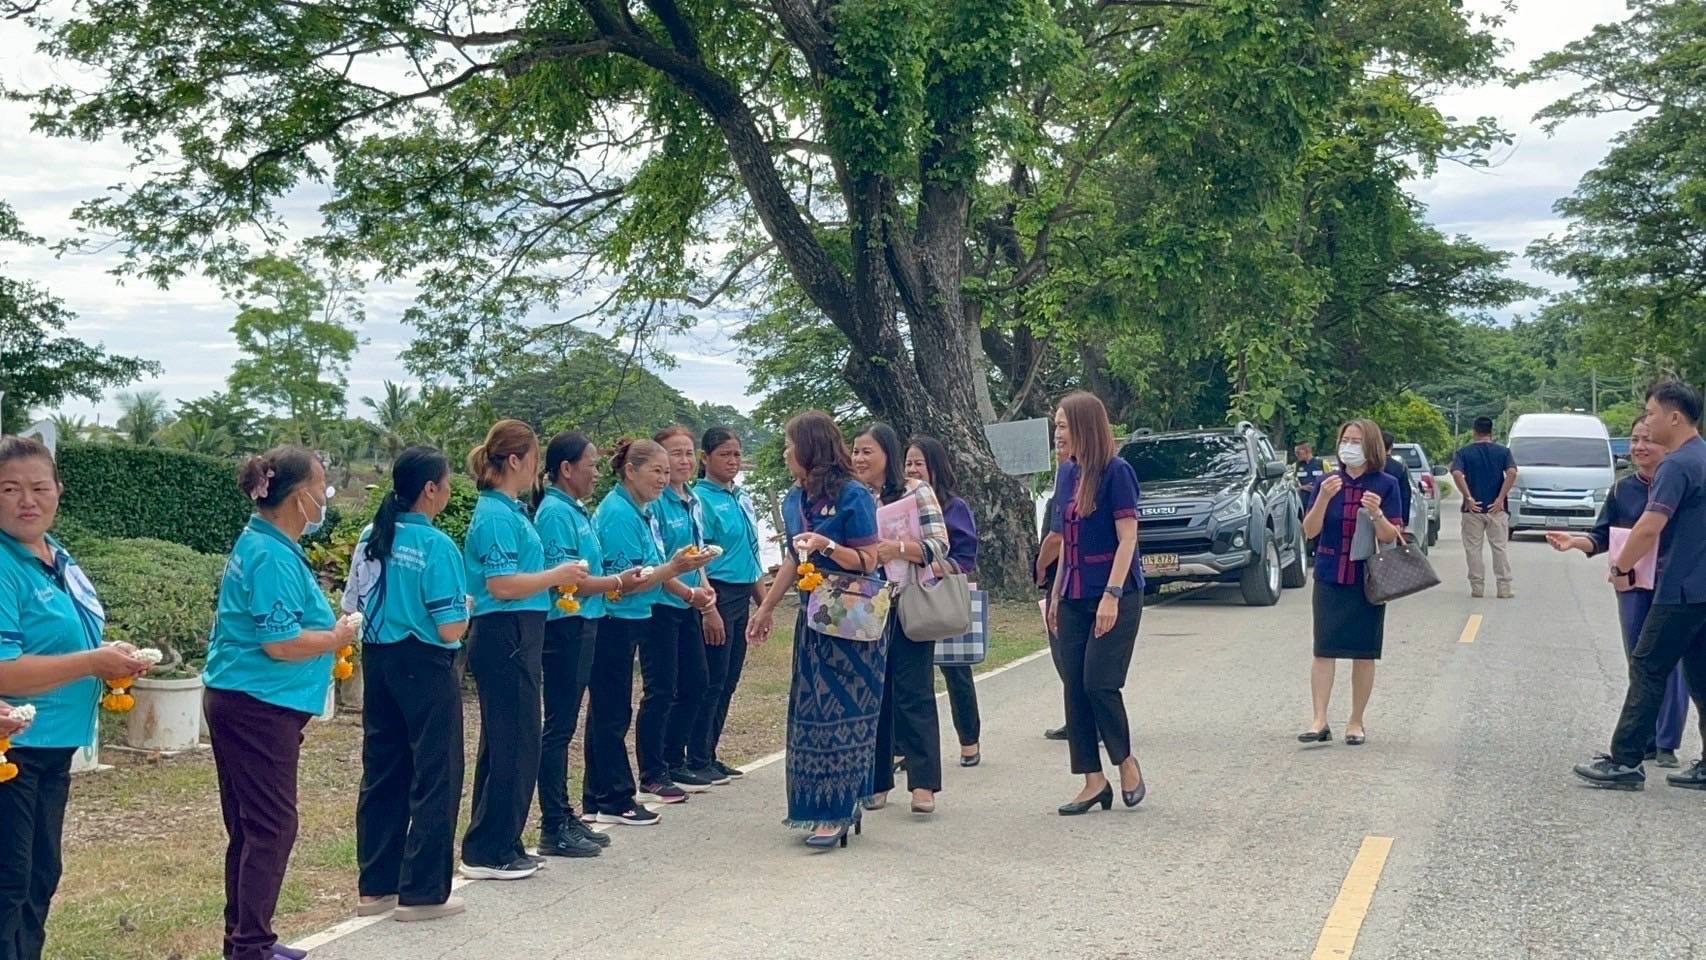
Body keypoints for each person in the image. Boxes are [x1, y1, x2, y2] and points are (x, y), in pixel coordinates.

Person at [204, 446, 358, 960]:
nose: (325, 498)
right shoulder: (269, 554)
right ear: (298, 498)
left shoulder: (272, 546)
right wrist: (335, 636)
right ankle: (251, 946)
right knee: (271, 827)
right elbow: (281, 642)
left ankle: (246, 940)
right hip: (255, 704)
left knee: (253, 826)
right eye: (322, 488)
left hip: (253, 700)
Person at [0, 436, 149, 960]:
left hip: (54, 745)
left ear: (59, 491)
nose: (27, 500)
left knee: (40, 878)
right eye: (11, 489)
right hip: (10, 751)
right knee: (9, 887)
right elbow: (3, 667)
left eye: (39, 487)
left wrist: (108, 654)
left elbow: (71, 639)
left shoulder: (54, 555)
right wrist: (91, 662)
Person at [342, 446, 470, 922]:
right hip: (426, 664)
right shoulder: (438, 547)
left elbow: (350, 603)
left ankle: (376, 887)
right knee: (437, 773)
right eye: (447, 483)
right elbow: (450, 628)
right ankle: (422, 892)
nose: (450, 492)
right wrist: (467, 608)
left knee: (382, 771)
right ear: (430, 489)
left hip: (378, 661)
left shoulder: (369, 535)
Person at [747, 411, 885, 849]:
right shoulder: (793, 498)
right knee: (810, 711)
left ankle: (839, 808)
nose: (786, 453)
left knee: (842, 712)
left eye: (790, 445)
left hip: (850, 617)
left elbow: (869, 560)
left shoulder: (853, 495)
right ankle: (816, 803)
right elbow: (791, 558)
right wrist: (766, 607)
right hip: (812, 617)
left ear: (810, 448)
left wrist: (829, 546)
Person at [459, 420, 589, 881]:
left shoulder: (509, 511)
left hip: (522, 627)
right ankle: (490, 847)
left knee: (508, 738)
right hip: (505, 629)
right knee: (515, 738)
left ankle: (497, 839)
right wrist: (557, 575)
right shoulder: (494, 516)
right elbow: (501, 584)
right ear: (515, 460)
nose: (538, 467)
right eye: (534, 457)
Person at [1574, 380, 1706, 791]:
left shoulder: (1677, 464)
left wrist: (1621, 564)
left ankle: (1626, 761)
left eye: (1650, 414)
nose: (1646, 423)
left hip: (1681, 589)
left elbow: (1649, 527)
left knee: (1647, 666)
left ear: (1674, 417)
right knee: (1701, 677)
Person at [1548, 416, 1692, 768]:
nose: (1641, 447)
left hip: (1672, 588)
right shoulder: (1622, 490)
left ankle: (1665, 741)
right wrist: (1574, 542)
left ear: (1667, 444)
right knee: (1640, 662)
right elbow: (1601, 536)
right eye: (1635, 440)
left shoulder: (1682, 483)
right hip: (1631, 587)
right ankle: (1641, 738)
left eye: (1649, 440)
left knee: (1670, 664)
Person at [584, 439, 714, 823]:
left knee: (610, 709)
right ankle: (614, 799)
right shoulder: (619, 514)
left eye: (665, 471)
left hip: (633, 617)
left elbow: (651, 565)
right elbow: (629, 580)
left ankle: (598, 797)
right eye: (655, 470)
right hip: (614, 618)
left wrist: (680, 573)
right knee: (611, 711)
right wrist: (674, 571)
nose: (663, 478)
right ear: (630, 471)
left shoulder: (641, 510)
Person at [534, 431, 642, 857]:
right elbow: (568, 578)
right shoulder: (555, 514)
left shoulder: (575, 510)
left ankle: (564, 814)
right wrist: (617, 582)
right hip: (566, 625)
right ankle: (553, 821)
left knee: (567, 725)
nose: (597, 471)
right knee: (557, 727)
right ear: (566, 468)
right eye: (591, 464)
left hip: (586, 623)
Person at [1047, 392, 1147, 816]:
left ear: (1085, 426)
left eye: (1063, 426)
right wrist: (1054, 595)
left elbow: (1128, 538)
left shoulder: (1117, 472)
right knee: (1074, 686)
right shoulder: (1067, 475)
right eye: (1055, 426)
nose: (1057, 434)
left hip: (1115, 591)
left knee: (1098, 683)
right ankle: (1092, 781)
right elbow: (1065, 542)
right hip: (1073, 592)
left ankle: (1125, 761)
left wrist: (1111, 594)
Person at [855, 422, 950, 815]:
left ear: (887, 456)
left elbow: (939, 543)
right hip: (863, 606)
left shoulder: (916, 490)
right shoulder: (853, 495)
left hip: (907, 601)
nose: (859, 459)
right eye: (855, 451)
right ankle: (876, 781)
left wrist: (894, 548)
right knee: (873, 694)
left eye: (867, 452)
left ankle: (923, 784)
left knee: (914, 692)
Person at [1299, 420, 1404, 747]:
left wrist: (1376, 515)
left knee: (1363, 652)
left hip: (1367, 578)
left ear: (1370, 446)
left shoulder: (1386, 484)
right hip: (1330, 572)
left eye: (1356, 441)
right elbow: (1309, 531)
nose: (1349, 446)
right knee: (1324, 649)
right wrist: (1322, 501)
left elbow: (1392, 536)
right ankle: (1319, 720)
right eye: (1345, 440)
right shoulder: (1327, 482)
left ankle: (1356, 721)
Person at [691, 427, 765, 783]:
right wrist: (708, 606)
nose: (733, 461)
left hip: (742, 592)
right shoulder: (700, 499)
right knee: (712, 677)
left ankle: (710, 751)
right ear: (706, 458)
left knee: (729, 678)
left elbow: (751, 553)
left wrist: (763, 603)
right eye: (725, 454)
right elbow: (698, 556)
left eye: (736, 454)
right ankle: (696, 755)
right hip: (715, 591)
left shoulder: (740, 496)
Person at [905, 435, 982, 767]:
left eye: (918, 463)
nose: (912, 469)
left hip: (942, 596)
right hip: (908, 599)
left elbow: (965, 557)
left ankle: (969, 740)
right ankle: (907, 750)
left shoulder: (954, 507)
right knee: (910, 678)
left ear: (935, 466)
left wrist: (927, 565)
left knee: (955, 670)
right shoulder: (899, 505)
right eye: (907, 463)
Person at [648, 426, 717, 794]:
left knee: (697, 682)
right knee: (662, 688)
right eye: (676, 454)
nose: (684, 461)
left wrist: (705, 592)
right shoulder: (656, 501)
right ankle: (655, 770)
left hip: (689, 599)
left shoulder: (692, 499)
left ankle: (677, 759)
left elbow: (696, 552)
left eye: (689, 453)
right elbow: (659, 564)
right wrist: (689, 594)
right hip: (663, 603)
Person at [1451, 416, 1518, 599]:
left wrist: (1468, 497)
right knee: (1499, 548)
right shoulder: (1503, 452)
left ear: (1474, 431)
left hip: (1473, 510)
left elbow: (1457, 473)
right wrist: (1500, 497)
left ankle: (1477, 587)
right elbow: (1512, 472)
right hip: (1496, 508)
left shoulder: (1464, 453)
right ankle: (1504, 587)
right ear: (1491, 432)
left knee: (1473, 549)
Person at [1039, 435, 1072, 742]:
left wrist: (1038, 567)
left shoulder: (1070, 487)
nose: (1059, 453)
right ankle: (1074, 716)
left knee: (1067, 654)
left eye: (1064, 444)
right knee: (1063, 655)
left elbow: (1056, 539)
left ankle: (1085, 721)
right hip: (1059, 582)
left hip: (1065, 582)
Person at [1295, 441, 1328, 559]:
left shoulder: (1322, 463)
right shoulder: (1297, 466)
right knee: (1307, 527)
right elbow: (1292, 484)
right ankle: (1309, 552)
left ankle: (1320, 551)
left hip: (1320, 500)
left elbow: (1331, 478)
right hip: (1304, 500)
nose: (1297, 455)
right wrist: (1302, 487)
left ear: (1307, 451)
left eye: (1299, 452)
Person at [1381, 430, 1414, 532]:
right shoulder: (1399, 467)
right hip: (1392, 516)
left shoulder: (1367, 465)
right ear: (1391, 447)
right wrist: (1404, 520)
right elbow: (1405, 494)